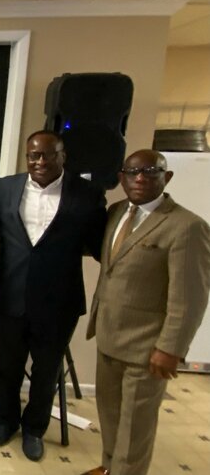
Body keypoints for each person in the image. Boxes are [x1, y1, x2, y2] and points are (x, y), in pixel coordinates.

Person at [83, 150, 210, 475]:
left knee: (135, 427)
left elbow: (190, 297)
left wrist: (170, 348)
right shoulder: (116, 212)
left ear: (166, 178)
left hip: (148, 347)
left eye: (151, 172)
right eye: (133, 172)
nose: (141, 178)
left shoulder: (187, 226)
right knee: (110, 415)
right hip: (109, 337)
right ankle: (111, 467)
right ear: (122, 177)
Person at [0, 130, 107, 461]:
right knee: (8, 366)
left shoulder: (88, 194)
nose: (40, 161)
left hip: (59, 300)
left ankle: (34, 428)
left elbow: (99, 247)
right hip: (11, 293)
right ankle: (5, 420)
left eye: (48, 155)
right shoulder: (2, 188)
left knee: (46, 371)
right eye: (33, 156)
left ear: (62, 155)